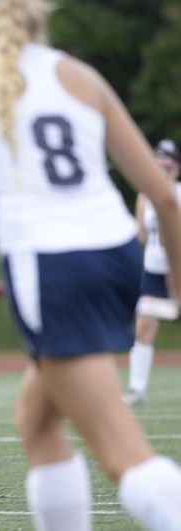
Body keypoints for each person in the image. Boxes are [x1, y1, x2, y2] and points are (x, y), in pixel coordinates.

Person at [0, 1, 181, 530]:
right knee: (35, 418)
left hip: (50, 267)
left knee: (123, 452)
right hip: (118, 255)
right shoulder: (82, 76)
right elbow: (163, 197)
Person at [124, 139, 181, 407]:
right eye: (159, 165)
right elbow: (142, 234)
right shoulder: (145, 195)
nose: (163, 170)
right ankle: (137, 389)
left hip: (178, 273)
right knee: (144, 324)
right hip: (155, 273)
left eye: (169, 165)